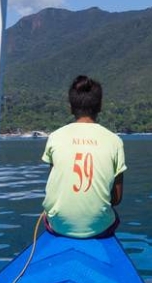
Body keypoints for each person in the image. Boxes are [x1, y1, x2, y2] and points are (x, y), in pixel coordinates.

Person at [40, 75, 126, 238]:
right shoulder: (115, 141)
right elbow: (116, 199)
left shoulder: (55, 137)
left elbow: (55, 186)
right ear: (99, 106)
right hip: (99, 227)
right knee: (113, 218)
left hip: (59, 225)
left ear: (71, 107)